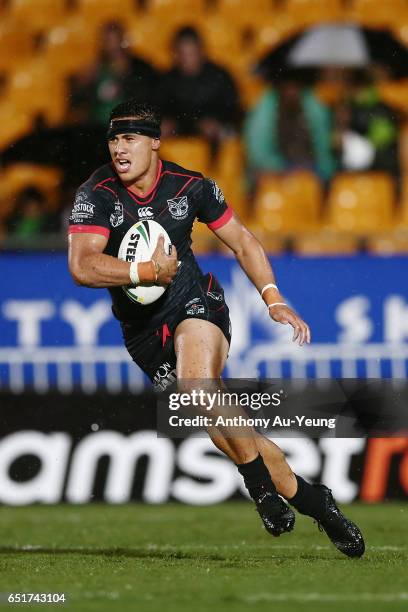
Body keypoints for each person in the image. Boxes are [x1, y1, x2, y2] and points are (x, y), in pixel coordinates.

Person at [67, 99, 364, 558]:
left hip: (194, 301)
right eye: (113, 139)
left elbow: (243, 241)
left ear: (154, 143)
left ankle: (259, 491)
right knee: (232, 424)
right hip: (144, 334)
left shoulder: (190, 186)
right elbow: (83, 265)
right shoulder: (98, 193)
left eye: (129, 139)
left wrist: (274, 298)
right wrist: (145, 272)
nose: (119, 149)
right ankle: (314, 501)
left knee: (197, 383)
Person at [244, 70, 335, 183]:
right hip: (278, 169)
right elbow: (259, 152)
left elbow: (323, 149)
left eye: (296, 86)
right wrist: (281, 167)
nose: (292, 91)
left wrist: (324, 172)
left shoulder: (313, 106)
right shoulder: (267, 107)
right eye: (288, 86)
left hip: (311, 169)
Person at [155, 27, 240, 145]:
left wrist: (217, 123)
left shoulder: (219, 76)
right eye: (183, 54)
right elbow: (159, 108)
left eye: (191, 53)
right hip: (178, 135)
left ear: (201, 51)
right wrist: (167, 123)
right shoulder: (167, 80)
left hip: (214, 138)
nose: (187, 59)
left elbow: (233, 108)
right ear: (176, 54)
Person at [69, 21, 158, 126]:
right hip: (98, 125)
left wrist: (125, 81)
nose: (112, 46)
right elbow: (78, 101)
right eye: (107, 41)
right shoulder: (96, 68)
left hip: (130, 124)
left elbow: (148, 94)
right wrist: (82, 83)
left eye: (115, 40)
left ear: (123, 41)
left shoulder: (139, 67)